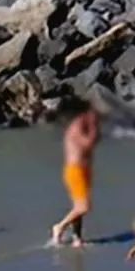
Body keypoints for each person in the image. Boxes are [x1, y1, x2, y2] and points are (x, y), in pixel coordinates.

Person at [52, 103, 101, 247]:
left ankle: (77, 238)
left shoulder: (84, 125)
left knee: (78, 206)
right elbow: (88, 144)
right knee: (84, 207)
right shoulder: (76, 126)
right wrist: (94, 127)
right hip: (75, 171)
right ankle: (59, 226)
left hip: (84, 169)